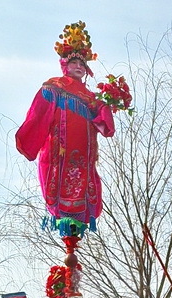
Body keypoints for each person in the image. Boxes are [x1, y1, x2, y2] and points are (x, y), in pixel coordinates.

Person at [15, 21, 115, 238]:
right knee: (60, 185)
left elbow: (103, 125)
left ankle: (74, 238)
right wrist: (29, 140)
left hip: (83, 160)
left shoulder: (91, 98)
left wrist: (107, 107)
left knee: (83, 188)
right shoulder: (55, 88)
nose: (79, 67)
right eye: (75, 63)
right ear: (65, 65)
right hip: (59, 156)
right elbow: (38, 115)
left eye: (83, 64)